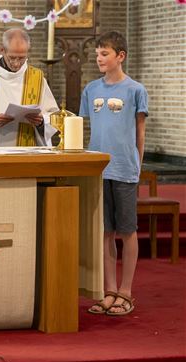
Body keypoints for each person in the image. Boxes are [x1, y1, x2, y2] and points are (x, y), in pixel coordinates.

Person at [80, 31, 148, 316]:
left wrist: (137, 165)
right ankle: (109, 290)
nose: (99, 59)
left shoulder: (135, 90)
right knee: (105, 232)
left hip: (124, 169)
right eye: (97, 54)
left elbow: (139, 133)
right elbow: (87, 128)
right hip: (99, 169)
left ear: (121, 56)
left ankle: (126, 292)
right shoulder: (91, 90)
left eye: (104, 54)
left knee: (127, 231)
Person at [0, 28, 59, 146]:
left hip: (28, 153)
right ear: (2, 50)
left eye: (22, 58)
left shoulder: (36, 77)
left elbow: (54, 115)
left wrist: (41, 121)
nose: (17, 63)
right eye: (12, 57)